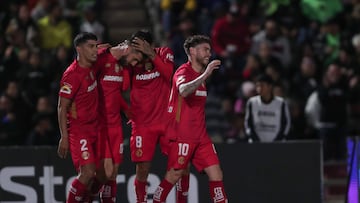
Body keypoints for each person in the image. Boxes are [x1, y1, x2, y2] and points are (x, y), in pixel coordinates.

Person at [152, 35, 228, 203]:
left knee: (216, 173)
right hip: (181, 135)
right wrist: (206, 73)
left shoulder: (200, 77)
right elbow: (184, 90)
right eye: (205, 49)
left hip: (201, 137)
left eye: (209, 49)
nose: (209, 53)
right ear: (192, 51)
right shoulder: (183, 71)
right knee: (175, 175)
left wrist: (204, 75)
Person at [127, 29, 190, 203]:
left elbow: (170, 75)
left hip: (167, 121)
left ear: (150, 45)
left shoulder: (164, 53)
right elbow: (120, 85)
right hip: (142, 124)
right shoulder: (132, 64)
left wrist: (150, 54)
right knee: (142, 169)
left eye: (140, 48)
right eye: (135, 48)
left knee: (182, 164)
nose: (137, 53)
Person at [94, 40, 143, 202]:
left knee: (113, 172)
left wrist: (126, 110)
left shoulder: (122, 67)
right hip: (100, 124)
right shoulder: (101, 57)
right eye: (135, 59)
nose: (134, 64)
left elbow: (121, 89)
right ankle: (83, 195)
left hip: (115, 125)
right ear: (128, 48)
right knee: (105, 172)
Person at [57, 32, 99, 202]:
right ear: (79, 49)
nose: (95, 50)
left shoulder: (91, 65)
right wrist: (64, 137)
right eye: (91, 47)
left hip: (94, 128)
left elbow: (104, 50)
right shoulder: (72, 75)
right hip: (78, 130)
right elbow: (62, 107)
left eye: (96, 46)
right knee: (87, 172)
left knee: (97, 176)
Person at [244, 74, 291, 142]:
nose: (259, 88)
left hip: (277, 145)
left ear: (270, 86)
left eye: (262, 85)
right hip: (256, 145)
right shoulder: (252, 102)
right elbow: (248, 124)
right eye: (257, 86)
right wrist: (256, 141)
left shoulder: (281, 103)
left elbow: (286, 124)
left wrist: (277, 141)